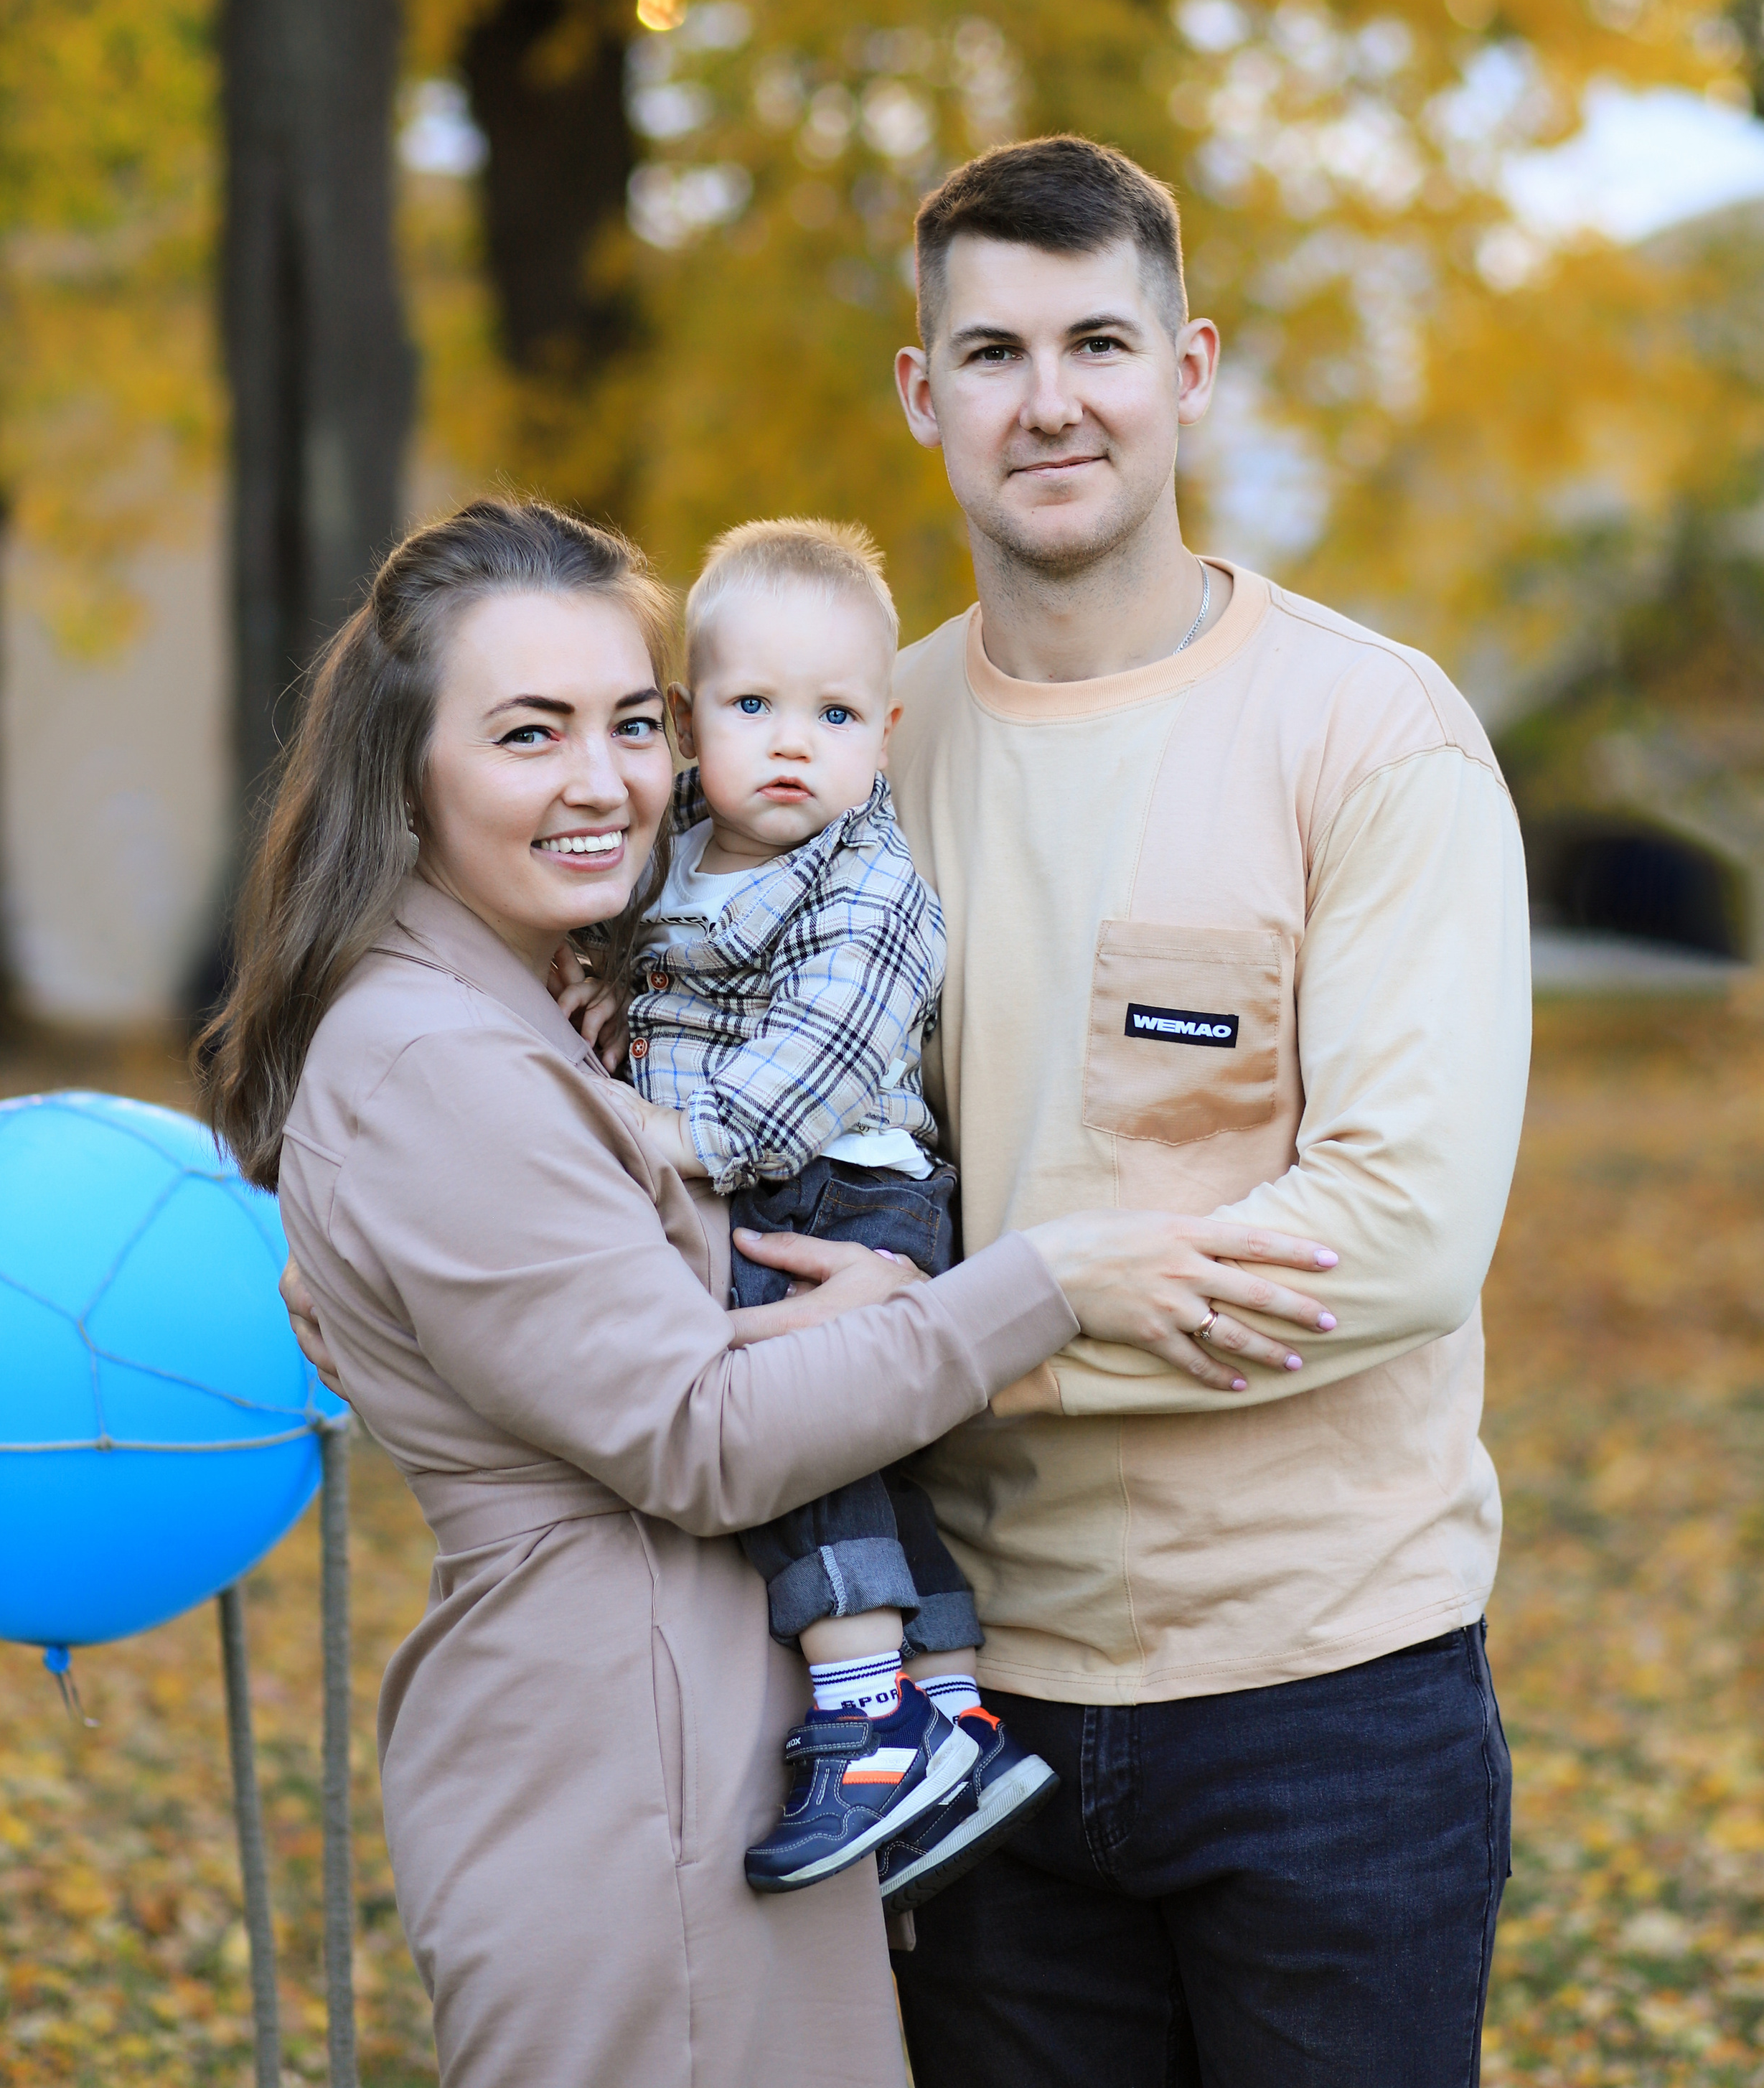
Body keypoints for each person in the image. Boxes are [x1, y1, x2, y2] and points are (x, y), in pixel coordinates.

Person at [229, 495, 1344, 2088]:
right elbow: (703, 1435)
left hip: (707, 1761)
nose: (603, 781)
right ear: (405, 767)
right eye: (528, 733)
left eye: (631, 723)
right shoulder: (433, 1057)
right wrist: (1039, 1283)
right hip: (628, 1794)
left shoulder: (541, 999)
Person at [880, 134, 1530, 2087]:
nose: (1049, 401)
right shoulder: (857, 754)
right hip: (966, 1699)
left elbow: (1396, 1235)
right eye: (992, 353)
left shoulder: (1372, 734)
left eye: (1098, 342)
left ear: (1189, 370)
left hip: (1328, 1701)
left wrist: (952, 1337)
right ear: (922, 394)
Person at [559, 518, 1072, 1901]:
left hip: (839, 1187)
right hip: (769, 1177)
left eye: (835, 716)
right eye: (753, 708)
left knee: (795, 1434)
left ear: (884, 735)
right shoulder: (672, 850)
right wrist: (600, 984)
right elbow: (624, 955)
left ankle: (864, 1718)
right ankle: (952, 1712)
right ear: (686, 724)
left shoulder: (870, 882)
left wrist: (671, 1133)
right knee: (874, 1470)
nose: (794, 745)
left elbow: (822, 1054)